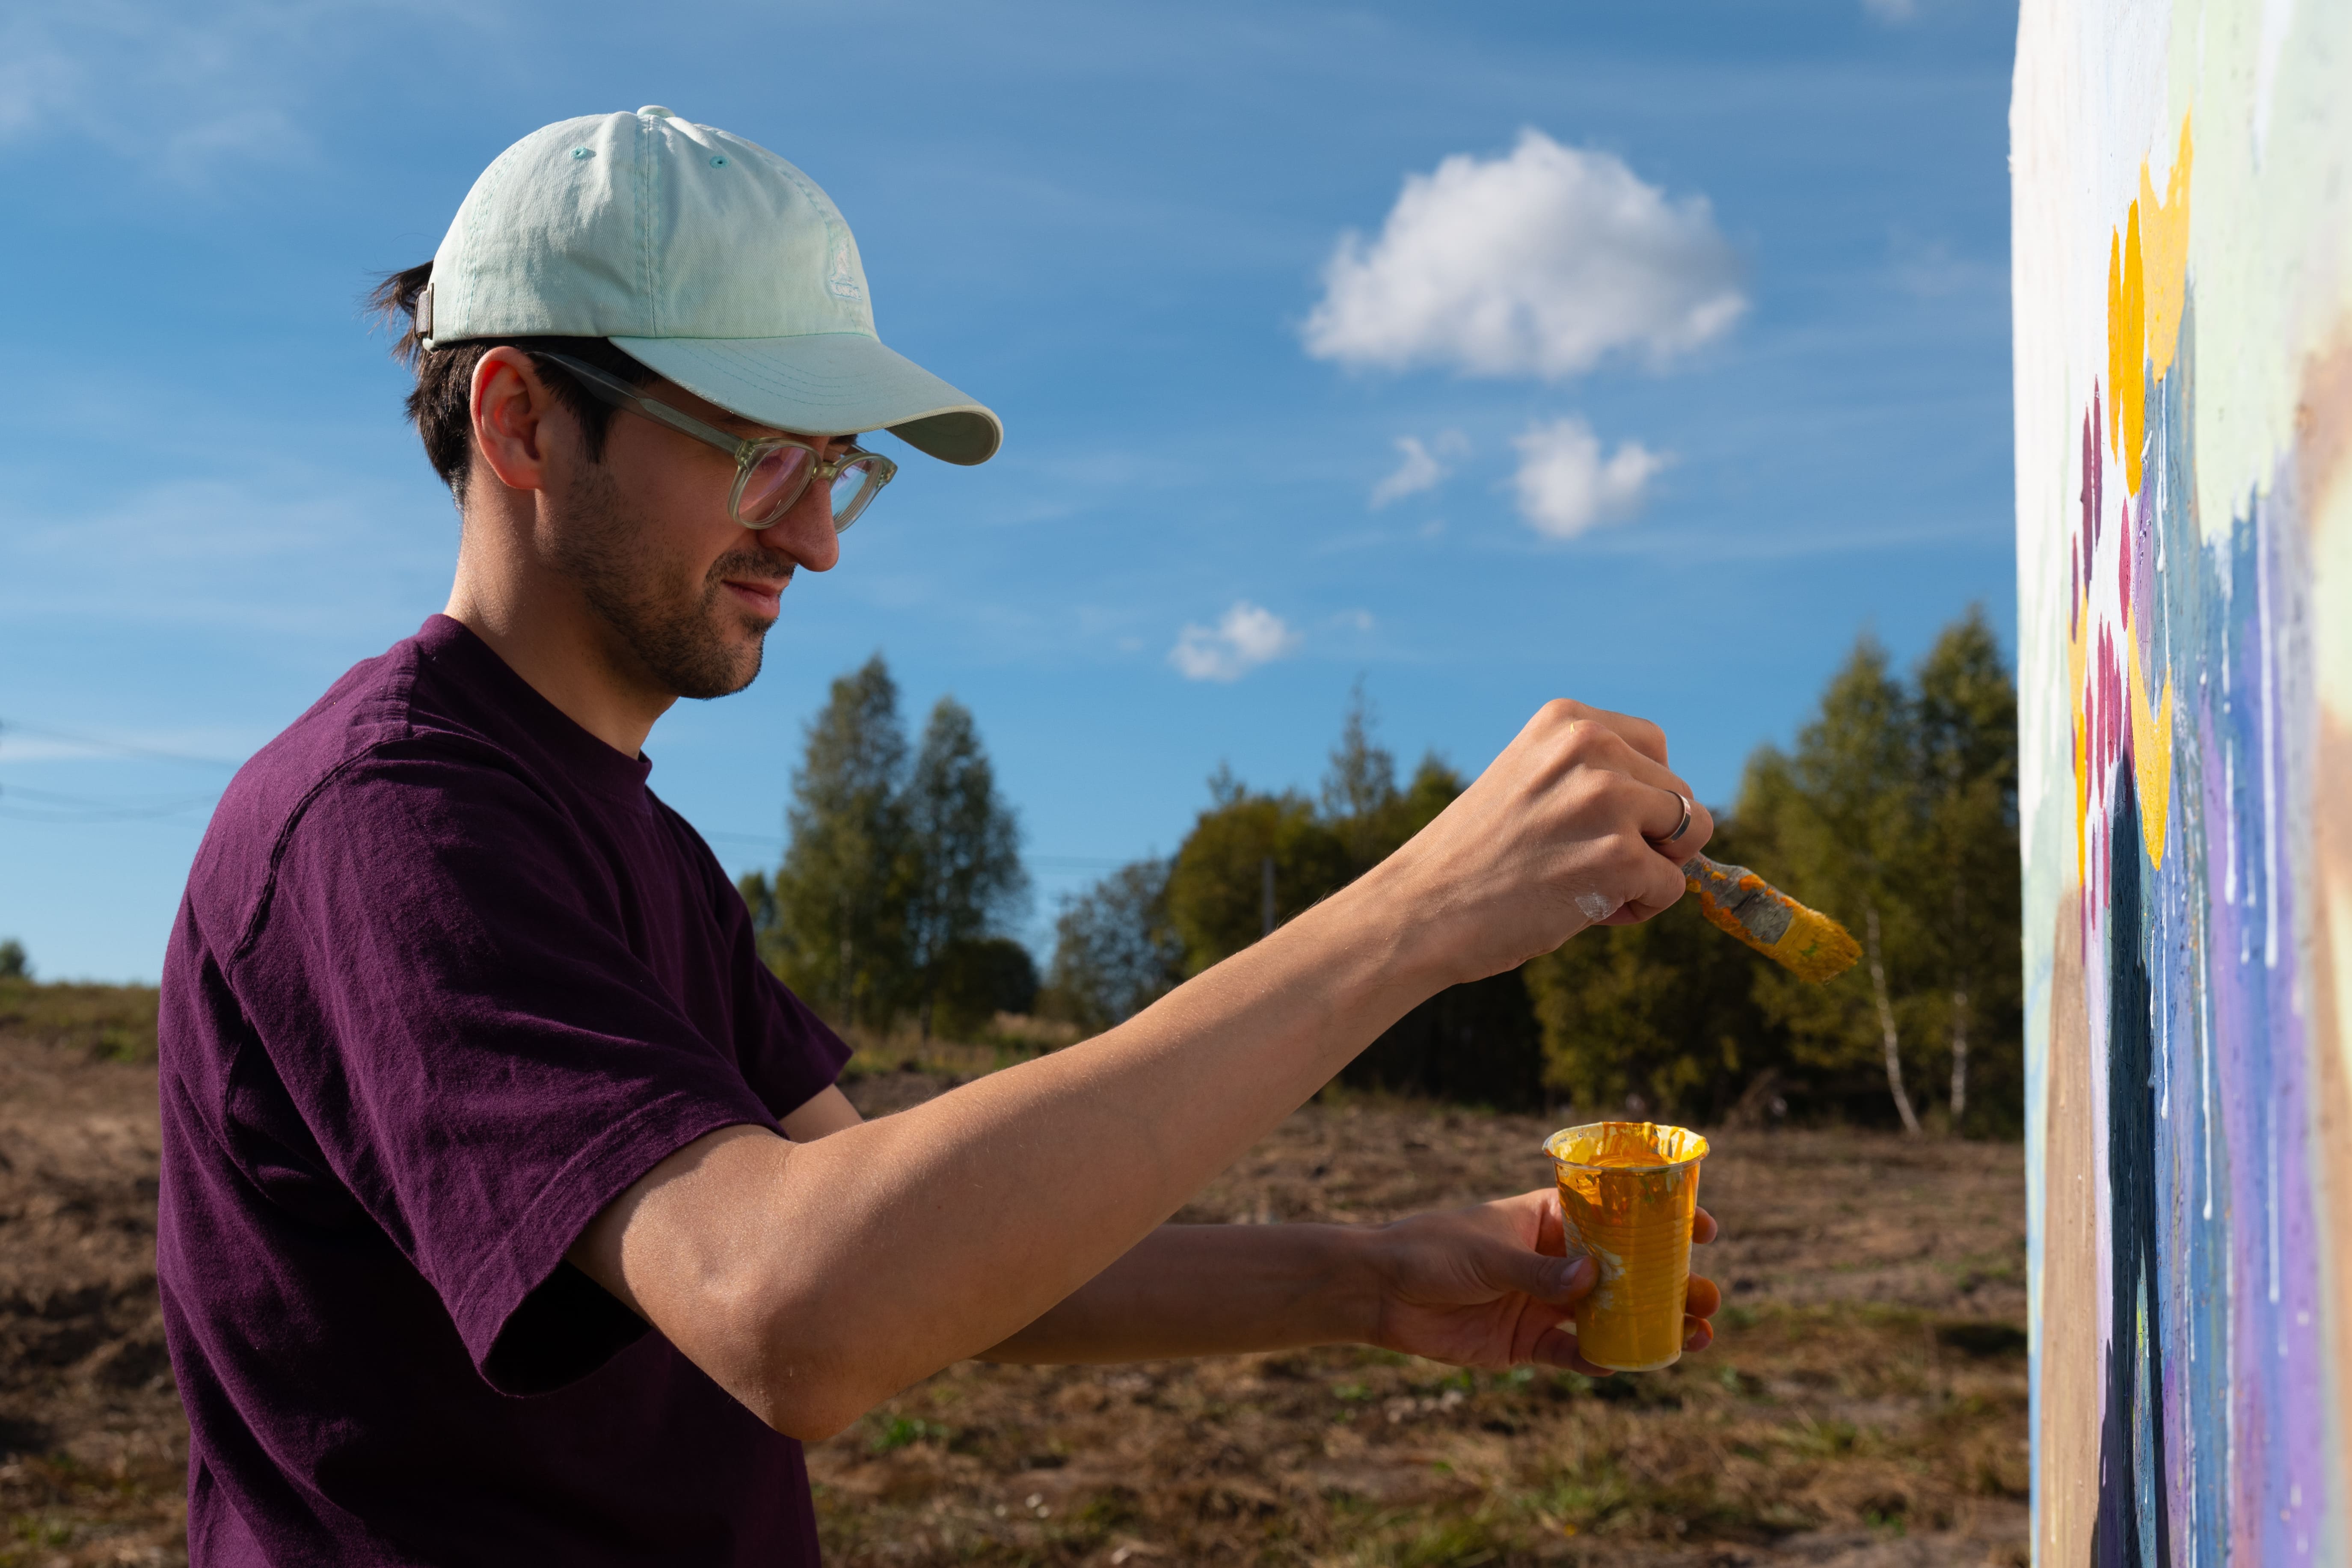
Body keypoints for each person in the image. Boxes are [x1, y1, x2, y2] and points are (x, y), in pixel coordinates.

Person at [156, 107, 1722, 1567]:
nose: (819, 538)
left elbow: (929, 1256)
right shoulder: (382, 827)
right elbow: (798, 1312)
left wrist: (1371, 1276)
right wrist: (1413, 915)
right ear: (521, 422)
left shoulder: (627, 839)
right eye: (763, 454)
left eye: (837, 471)